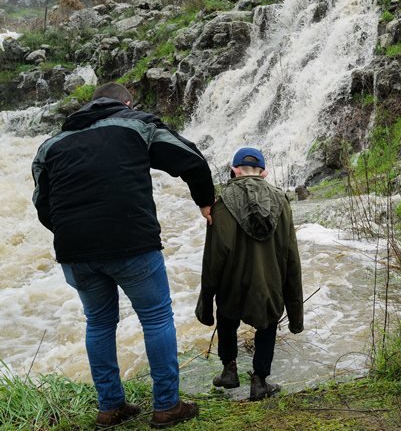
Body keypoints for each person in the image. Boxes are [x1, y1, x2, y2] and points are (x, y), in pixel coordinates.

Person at [31, 82, 214, 429]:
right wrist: (205, 201)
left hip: (75, 249)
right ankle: (166, 407)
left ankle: (110, 407)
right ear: (127, 102)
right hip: (131, 240)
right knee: (156, 318)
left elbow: (42, 203)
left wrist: (72, 233)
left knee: (99, 322)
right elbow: (190, 159)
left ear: (90, 105)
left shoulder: (51, 144)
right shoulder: (136, 124)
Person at [195, 147, 303, 401]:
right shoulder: (281, 201)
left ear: (234, 170)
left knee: (227, 316)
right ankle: (260, 381)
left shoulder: (221, 203)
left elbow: (213, 257)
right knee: (267, 323)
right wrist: (296, 313)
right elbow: (291, 254)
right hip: (270, 281)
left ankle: (229, 371)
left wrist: (206, 303)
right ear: (263, 173)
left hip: (232, 282)